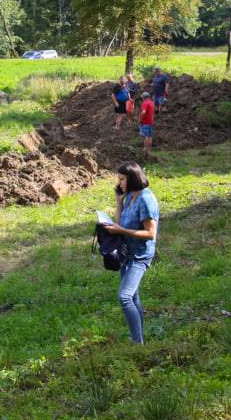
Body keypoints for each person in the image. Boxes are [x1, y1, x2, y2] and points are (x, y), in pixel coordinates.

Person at [102, 161, 159, 344]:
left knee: (124, 297)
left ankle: (137, 344)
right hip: (128, 252)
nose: (119, 184)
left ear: (132, 178)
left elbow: (150, 233)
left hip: (140, 255)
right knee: (133, 297)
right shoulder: (130, 196)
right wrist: (118, 203)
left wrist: (121, 231)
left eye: (122, 179)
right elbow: (121, 223)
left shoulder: (146, 199)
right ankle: (140, 341)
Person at [138, 92, 155, 156]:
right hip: (150, 121)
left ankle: (147, 151)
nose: (142, 98)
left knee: (145, 136)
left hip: (145, 122)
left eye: (142, 97)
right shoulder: (152, 102)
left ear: (144, 97)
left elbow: (144, 112)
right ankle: (148, 150)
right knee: (150, 136)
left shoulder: (145, 103)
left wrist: (141, 119)